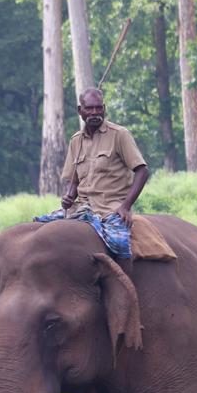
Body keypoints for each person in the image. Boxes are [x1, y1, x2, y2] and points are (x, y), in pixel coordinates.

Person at [35, 88, 150, 269]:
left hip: (110, 208)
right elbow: (73, 179)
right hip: (80, 207)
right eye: (90, 109)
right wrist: (69, 196)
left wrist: (126, 206)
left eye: (99, 108)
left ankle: (126, 286)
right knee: (38, 227)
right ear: (80, 111)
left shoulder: (119, 135)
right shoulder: (76, 140)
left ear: (104, 108)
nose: (95, 113)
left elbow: (142, 171)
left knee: (119, 242)